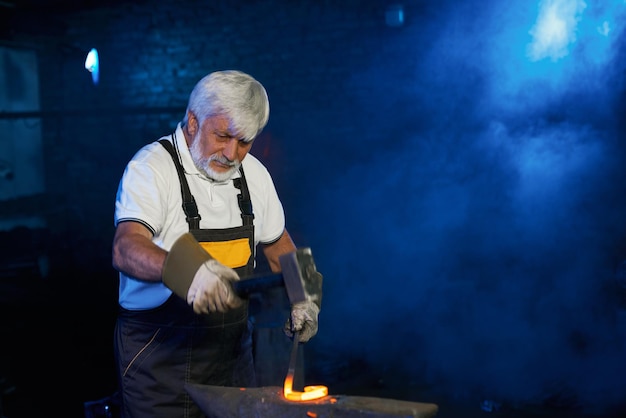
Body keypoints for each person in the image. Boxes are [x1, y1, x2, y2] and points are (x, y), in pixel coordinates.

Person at [111, 70, 322, 418]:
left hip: (233, 357)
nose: (231, 153)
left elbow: (278, 244)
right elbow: (125, 247)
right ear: (193, 122)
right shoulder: (151, 169)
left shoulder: (253, 174)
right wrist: (188, 273)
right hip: (161, 360)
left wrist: (305, 298)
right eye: (222, 135)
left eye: (244, 141)